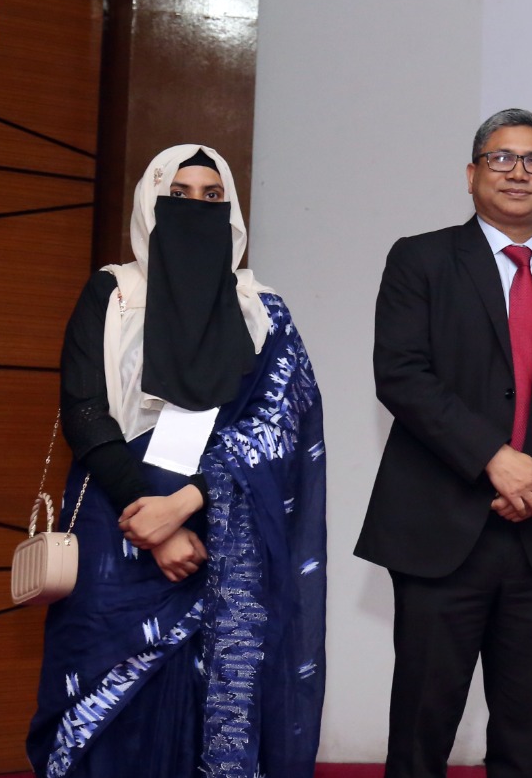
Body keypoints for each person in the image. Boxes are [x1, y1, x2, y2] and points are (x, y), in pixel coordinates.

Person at [27, 145, 327, 778]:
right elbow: (84, 410)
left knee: (204, 701)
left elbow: (277, 425)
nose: (197, 206)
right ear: (150, 204)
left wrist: (185, 505)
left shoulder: (263, 310)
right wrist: (152, 523)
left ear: (233, 210)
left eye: (212, 196)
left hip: (222, 535)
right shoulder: (113, 292)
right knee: (102, 697)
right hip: (113, 526)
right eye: (179, 194)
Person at [355, 109, 532, 778]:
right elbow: (402, 374)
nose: (518, 173)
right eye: (501, 158)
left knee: (528, 743)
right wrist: (493, 459)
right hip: (440, 532)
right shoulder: (420, 259)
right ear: (471, 174)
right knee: (420, 736)